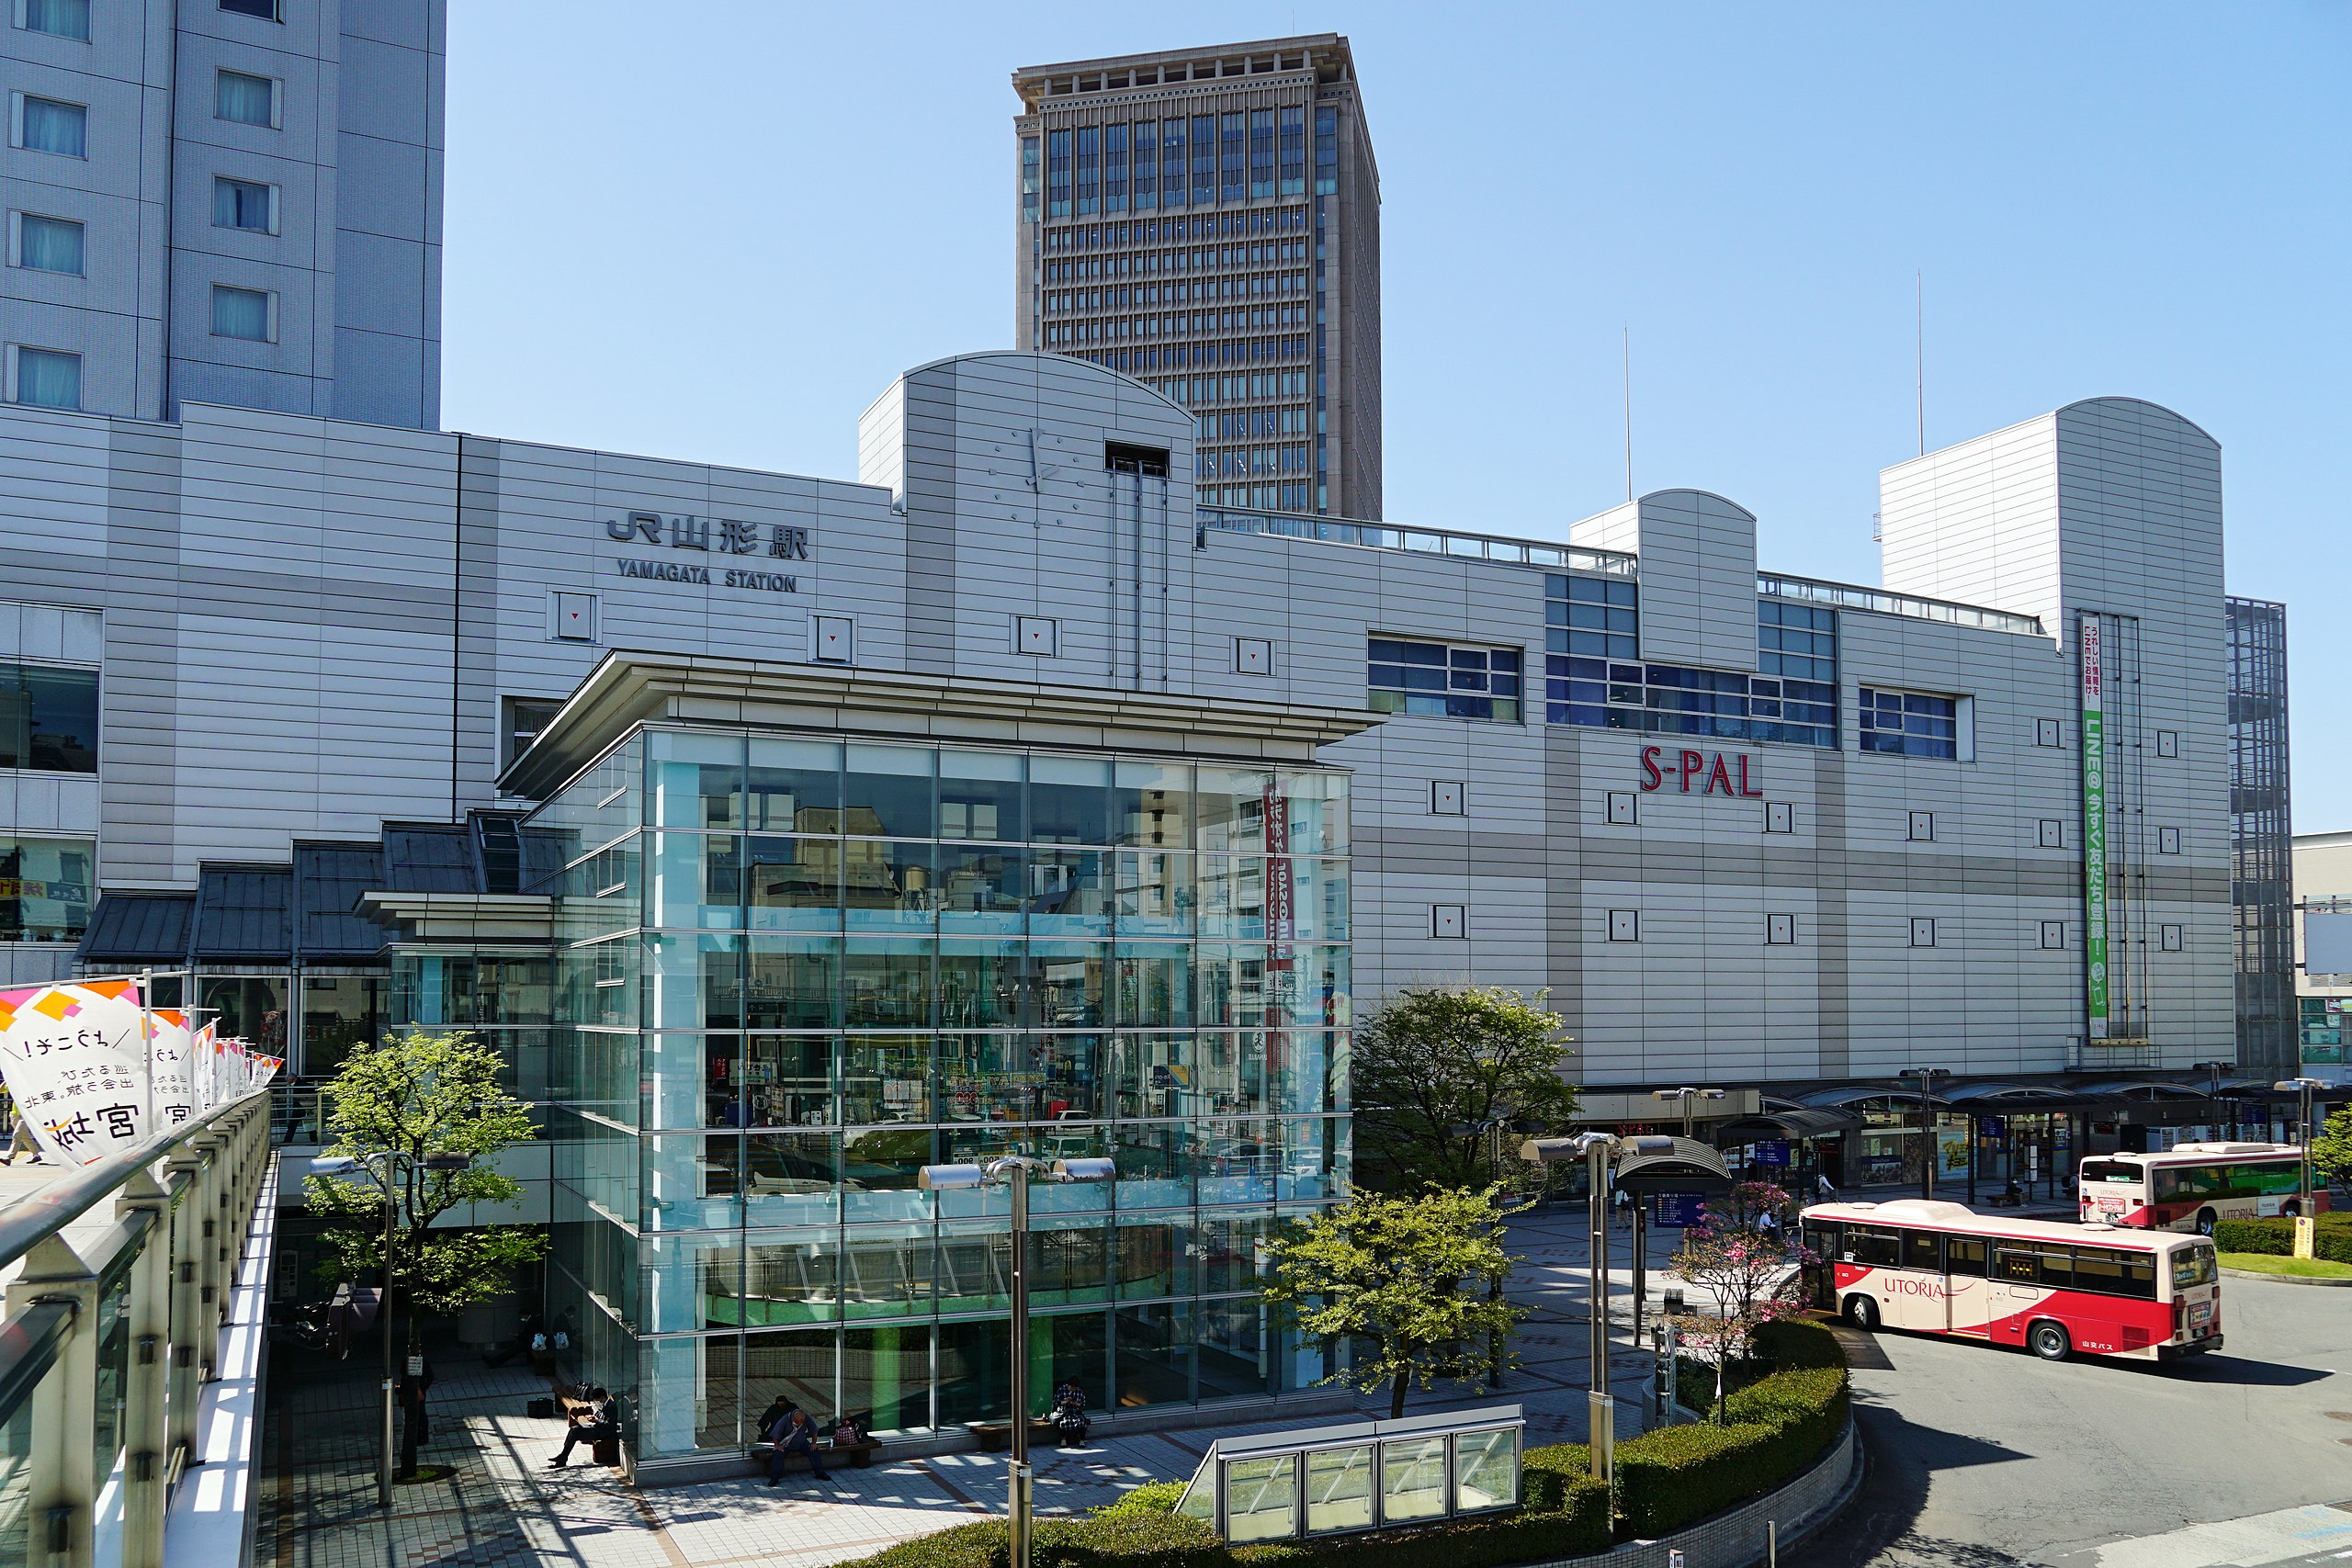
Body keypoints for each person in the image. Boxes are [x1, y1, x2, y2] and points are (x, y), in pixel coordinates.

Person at [550, 1386, 618, 1468]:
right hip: (599, 1428)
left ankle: (563, 1457)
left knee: (575, 1432)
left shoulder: (611, 1406)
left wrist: (596, 1420)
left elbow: (609, 1424)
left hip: (604, 1432)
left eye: (598, 1400)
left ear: (602, 1397)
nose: (598, 1402)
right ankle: (563, 1456)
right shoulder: (606, 1404)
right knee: (574, 1429)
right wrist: (595, 1418)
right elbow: (603, 1418)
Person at [766, 1405, 829, 1484]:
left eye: (801, 1422)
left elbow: (814, 1431)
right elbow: (775, 1434)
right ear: (793, 1418)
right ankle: (775, 1477)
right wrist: (777, 1445)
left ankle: (820, 1473)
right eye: (797, 1421)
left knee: (814, 1452)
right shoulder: (785, 1419)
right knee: (778, 1454)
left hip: (801, 1443)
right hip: (786, 1443)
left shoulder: (807, 1418)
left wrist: (813, 1443)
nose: (799, 1423)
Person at [1052, 1382, 1090, 1448]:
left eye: (1075, 1388)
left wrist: (1075, 1403)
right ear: (1069, 1386)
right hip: (1064, 1413)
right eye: (1072, 1388)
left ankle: (1081, 1439)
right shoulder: (1061, 1390)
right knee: (1064, 1422)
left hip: (1076, 1412)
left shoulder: (1079, 1392)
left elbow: (1082, 1404)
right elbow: (1056, 1402)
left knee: (1081, 1421)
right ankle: (1063, 1439)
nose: (1073, 1389)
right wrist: (1066, 1401)